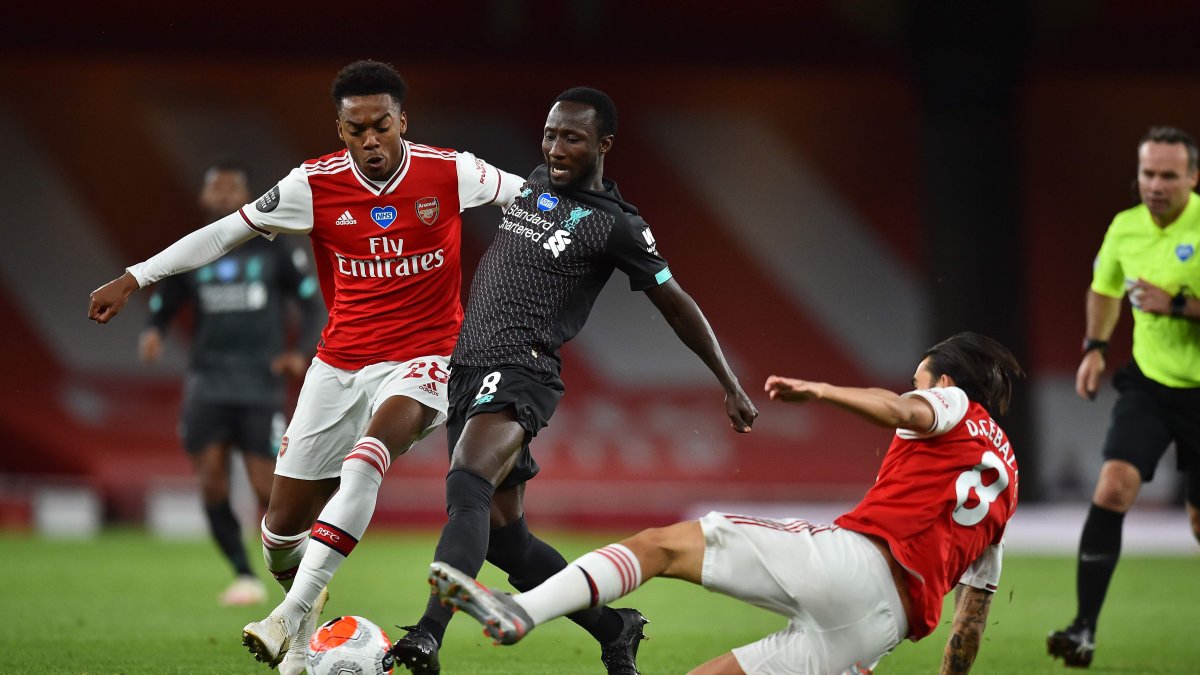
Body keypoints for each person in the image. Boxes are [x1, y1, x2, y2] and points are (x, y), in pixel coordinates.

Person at [88, 60, 524, 675]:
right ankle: (304, 614)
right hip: (339, 365)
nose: (369, 141)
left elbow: (538, 199)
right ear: (340, 129)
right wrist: (136, 277)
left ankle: (288, 616)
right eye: (355, 130)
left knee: (368, 457)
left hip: (427, 359)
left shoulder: (451, 171)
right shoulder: (312, 185)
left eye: (381, 126)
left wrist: (602, 226)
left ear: (403, 120)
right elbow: (221, 235)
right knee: (279, 533)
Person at [388, 87, 759, 675]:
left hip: (521, 370)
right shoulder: (534, 180)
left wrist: (728, 381)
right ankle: (616, 628)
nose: (556, 148)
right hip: (467, 367)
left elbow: (676, 303)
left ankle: (429, 634)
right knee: (511, 544)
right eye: (551, 134)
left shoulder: (617, 226)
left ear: (603, 145)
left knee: (467, 483)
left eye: (572, 138)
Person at [431, 331, 1023, 675]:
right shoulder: (1009, 484)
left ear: (946, 382)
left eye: (920, 378)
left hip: (853, 565)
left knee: (661, 546)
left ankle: (522, 612)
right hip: (876, 635)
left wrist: (822, 391)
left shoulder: (953, 406)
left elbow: (901, 411)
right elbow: (968, 627)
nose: (915, 387)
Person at [1048, 126, 1200, 669]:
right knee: (1112, 487)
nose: (1154, 185)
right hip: (1152, 384)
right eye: (1147, 174)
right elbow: (1105, 288)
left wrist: (1177, 306)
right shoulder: (1125, 227)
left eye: (1166, 175)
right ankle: (1083, 627)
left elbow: (1159, 302)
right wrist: (1094, 348)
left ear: (1192, 177)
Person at [139, 160, 323, 607]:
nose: (223, 195)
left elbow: (312, 303)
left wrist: (300, 352)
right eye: (215, 187)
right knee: (213, 485)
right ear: (204, 197)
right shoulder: (195, 251)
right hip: (207, 381)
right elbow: (166, 296)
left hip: (260, 382)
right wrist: (155, 329)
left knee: (269, 491)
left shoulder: (274, 248)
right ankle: (244, 575)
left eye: (232, 187)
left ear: (246, 194)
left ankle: (304, 574)